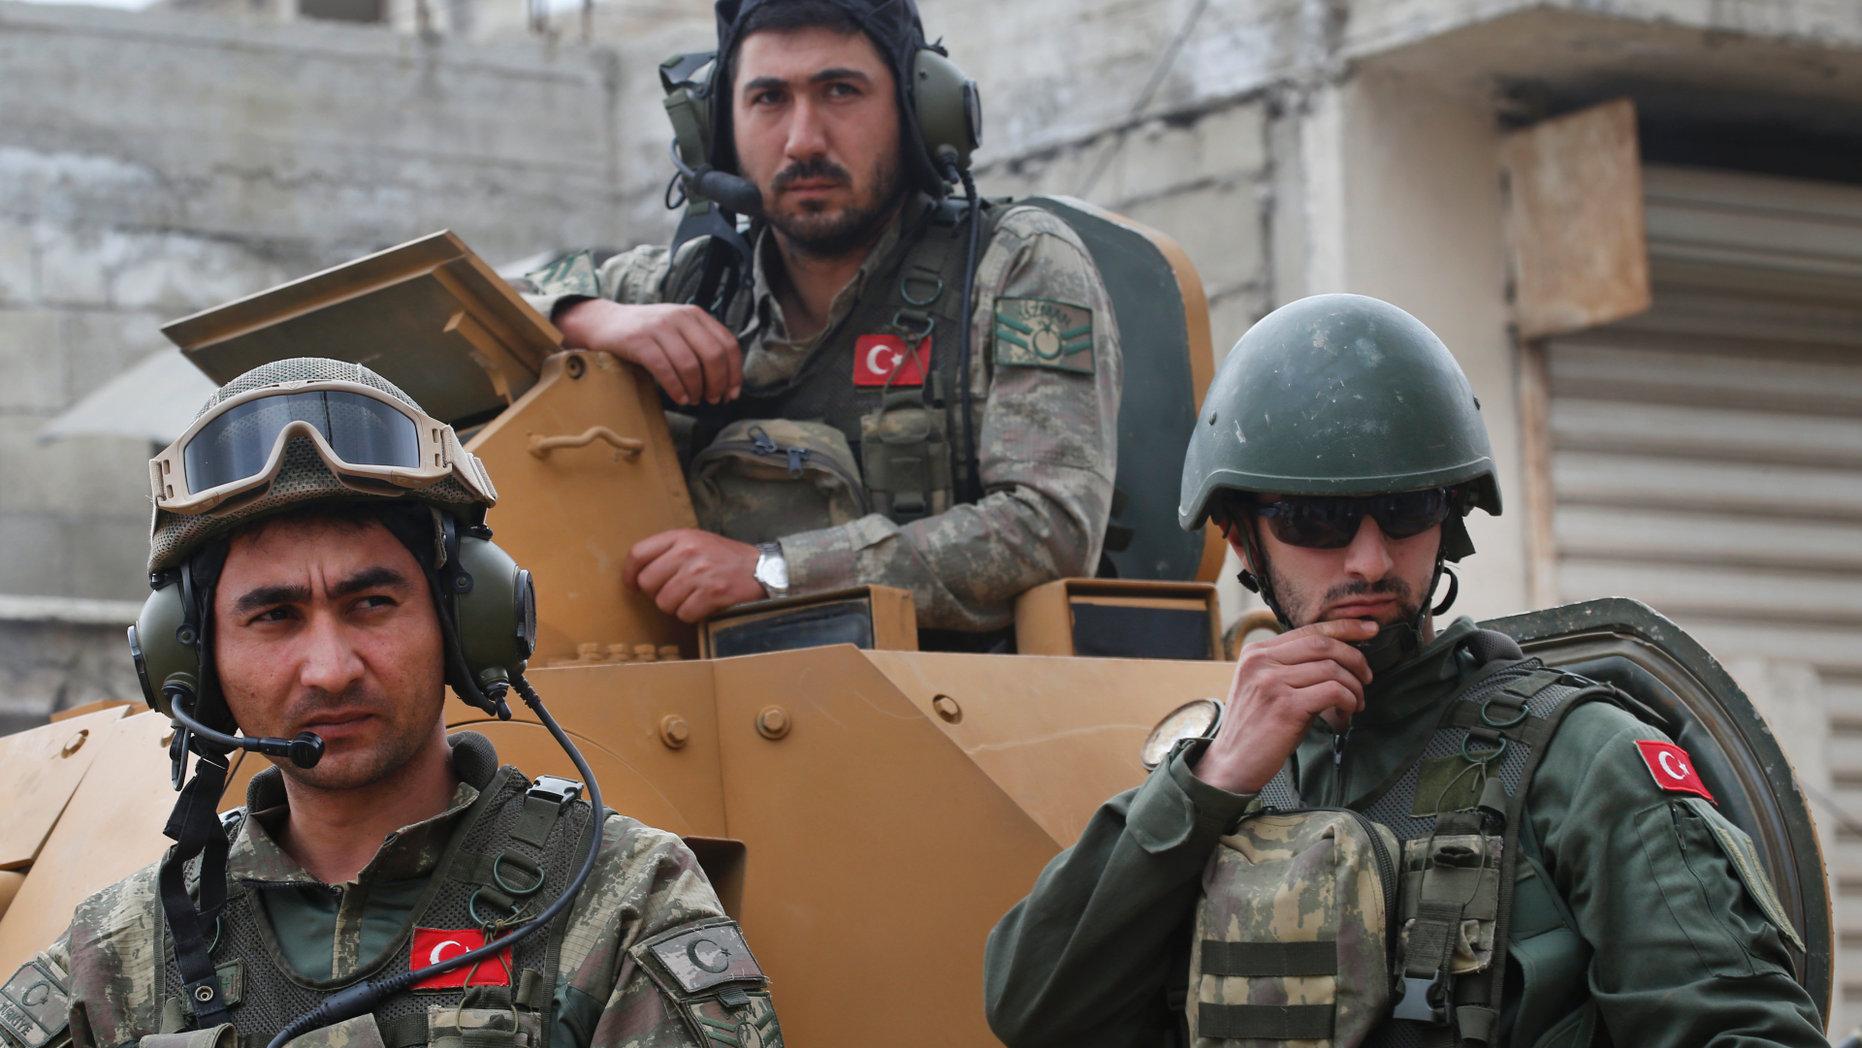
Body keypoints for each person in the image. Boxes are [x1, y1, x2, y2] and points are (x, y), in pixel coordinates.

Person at [981, 294, 1826, 1047]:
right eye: (1317, 519)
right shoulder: (1218, 781)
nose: (1370, 559)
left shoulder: (1582, 761)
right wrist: (1213, 781)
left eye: (1408, 509)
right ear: (1241, 538)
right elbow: (1034, 1009)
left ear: (1450, 520)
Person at [0, 359, 781, 1048]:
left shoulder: (618, 901)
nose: (331, 669)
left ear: (462, 623)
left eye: (372, 602)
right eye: (273, 617)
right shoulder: (123, 952)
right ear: (194, 661)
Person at [523, 0, 1121, 640]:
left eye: (841, 91)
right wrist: (584, 316)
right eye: (769, 98)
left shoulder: (1013, 265)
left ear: (919, 111)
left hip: (951, 706)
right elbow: (442, 317)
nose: (803, 140)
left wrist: (774, 572)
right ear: (716, 127)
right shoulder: (682, 284)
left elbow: (1050, 529)